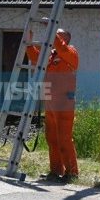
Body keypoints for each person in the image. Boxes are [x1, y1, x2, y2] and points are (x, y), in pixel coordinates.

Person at [26, 25, 79, 183]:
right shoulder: (50, 55)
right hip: (50, 102)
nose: (52, 37)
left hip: (64, 103)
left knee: (64, 138)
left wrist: (51, 29)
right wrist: (28, 42)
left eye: (57, 35)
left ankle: (72, 172)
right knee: (52, 138)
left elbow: (61, 48)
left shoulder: (71, 53)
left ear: (65, 38)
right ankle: (56, 171)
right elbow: (35, 58)